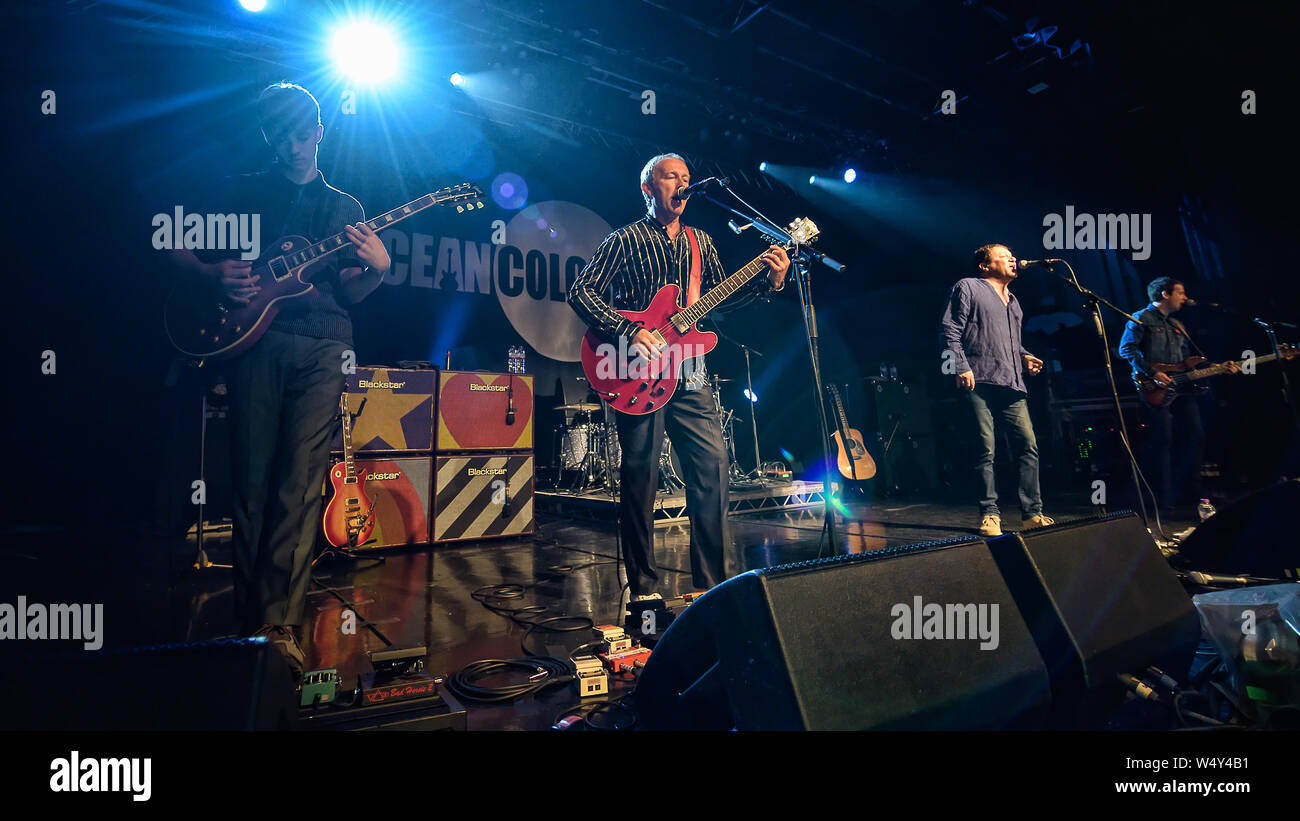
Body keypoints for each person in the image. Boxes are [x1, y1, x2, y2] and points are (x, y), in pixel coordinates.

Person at [168, 83, 390, 677]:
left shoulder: (345, 208)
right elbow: (170, 241)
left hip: (323, 347)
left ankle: (280, 625)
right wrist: (212, 273)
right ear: (267, 135)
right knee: (250, 483)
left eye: (301, 132)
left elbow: (352, 293)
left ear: (320, 130)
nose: (292, 144)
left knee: (299, 484)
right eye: (279, 134)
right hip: (253, 345)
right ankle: (248, 621)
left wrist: (381, 268)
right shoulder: (240, 194)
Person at [567, 153, 789, 598]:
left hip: (689, 370)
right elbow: (580, 291)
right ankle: (645, 589)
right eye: (672, 177)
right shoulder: (625, 239)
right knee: (641, 479)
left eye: (687, 179)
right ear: (649, 188)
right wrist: (630, 329)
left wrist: (770, 281)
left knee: (713, 469)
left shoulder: (700, 243)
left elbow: (719, 306)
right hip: (636, 370)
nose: (681, 185)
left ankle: (712, 588)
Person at [940, 243, 1051, 537]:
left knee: (1028, 445)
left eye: (1012, 256)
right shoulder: (968, 287)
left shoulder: (1014, 302)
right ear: (985, 266)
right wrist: (959, 366)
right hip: (979, 379)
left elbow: (1011, 342)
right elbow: (949, 330)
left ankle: (1032, 514)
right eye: (1004, 256)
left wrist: (1025, 356)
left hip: (1012, 382)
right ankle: (989, 513)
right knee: (984, 449)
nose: (1013, 259)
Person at [1118, 277, 1236, 515]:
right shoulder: (1140, 317)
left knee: (1195, 436)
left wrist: (1219, 366)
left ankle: (1192, 495)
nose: (1185, 298)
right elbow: (1125, 349)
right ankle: (1163, 500)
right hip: (1153, 387)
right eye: (1180, 292)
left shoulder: (1178, 325)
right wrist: (1153, 372)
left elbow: (1187, 362)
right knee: (1163, 440)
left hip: (1182, 389)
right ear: (1164, 294)